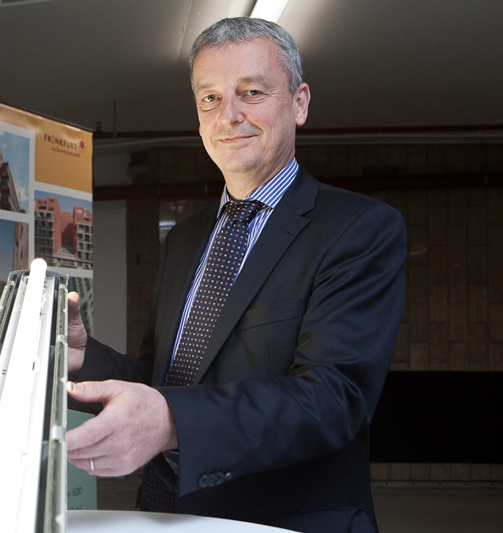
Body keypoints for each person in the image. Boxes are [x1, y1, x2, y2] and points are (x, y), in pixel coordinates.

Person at [65, 17, 406, 533]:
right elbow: (163, 380)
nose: (229, 115)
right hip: (163, 511)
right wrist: (82, 356)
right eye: (209, 98)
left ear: (299, 102)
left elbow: (333, 397)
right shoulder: (183, 239)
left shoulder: (359, 229)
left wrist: (173, 424)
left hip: (283, 521)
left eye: (252, 92)